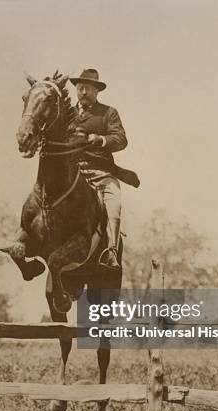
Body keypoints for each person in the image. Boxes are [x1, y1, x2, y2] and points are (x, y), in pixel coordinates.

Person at [69, 68, 128, 270]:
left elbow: (120, 139)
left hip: (101, 174)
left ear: (96, 91)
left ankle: (110, 251)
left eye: (88, 88)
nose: (83, 92)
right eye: (80, 88)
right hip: (71, 172)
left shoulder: (108, 113)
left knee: (115, 206)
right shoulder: (66, 113)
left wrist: (101, 140)